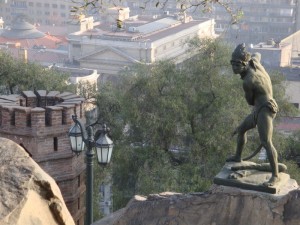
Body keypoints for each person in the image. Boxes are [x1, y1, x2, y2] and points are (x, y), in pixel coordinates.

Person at [227, 43, 279, 187]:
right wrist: (250, 56)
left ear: (245, 64)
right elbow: (257, 54)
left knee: (266, 142)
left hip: (265, 110)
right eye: (232, 64)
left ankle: (275, 176)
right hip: (260, 108)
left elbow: (250, 101)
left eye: (238, 65)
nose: (234, 68)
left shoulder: (248, 81)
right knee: (241, 129)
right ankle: (238, 156)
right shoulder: (254, 62)